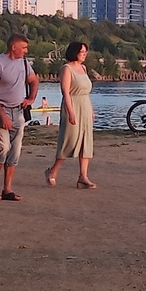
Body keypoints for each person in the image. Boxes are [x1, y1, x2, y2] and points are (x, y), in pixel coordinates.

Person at [0, 33, 38, 200]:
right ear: (14, 47)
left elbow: (34, 80)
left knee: (15, 151)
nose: (26, 51)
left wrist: (31, 99)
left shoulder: (24, 63)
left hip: (18, 110)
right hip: (2, 110)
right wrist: (1, 115)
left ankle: (7, 188)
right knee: (3, 147)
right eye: (24, 48)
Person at [47, 41, 97, 189]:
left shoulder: (83, 68)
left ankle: (83, 176)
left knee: (86, 143)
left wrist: (92, 110)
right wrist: (70, 112)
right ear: (75, 52)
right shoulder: (67, 69)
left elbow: (86, 92)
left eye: (85, 52)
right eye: (82, 52)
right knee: (70, 140)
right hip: (72, 105)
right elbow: (66, 92)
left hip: (85, 105)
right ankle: (53, 171)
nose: (84, 55)